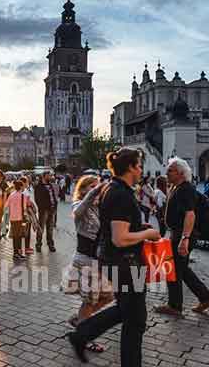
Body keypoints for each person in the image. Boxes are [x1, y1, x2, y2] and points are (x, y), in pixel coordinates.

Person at [68, 148, 161, 367]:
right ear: (130, 167)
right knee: (135, 318)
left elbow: (114, 228)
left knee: (129, 313)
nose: (141, 170)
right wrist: (148, 233)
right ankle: (82, 335)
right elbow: (120, 238)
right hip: (126, 264)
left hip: (116, 262)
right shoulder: (121, 194)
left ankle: (82, 334)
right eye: (138, 165)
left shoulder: (112, 188)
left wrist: (138, 227)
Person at [154, 158, 209, 317]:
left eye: (170, 170)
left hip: (183, 234)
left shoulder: (186, 189)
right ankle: (206, 298)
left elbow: (190, 214)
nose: (166, 173)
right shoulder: (178, 187)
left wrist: (185, 238)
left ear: (181, 173)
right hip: (178, 233)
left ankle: (175, 305)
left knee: (174, 269)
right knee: (181, 269)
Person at [64, 174, 113, 354]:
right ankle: (84, 337)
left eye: (97, 185)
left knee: (109, 296)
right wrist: (94, 192)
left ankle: (80, 319)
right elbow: (78, 212)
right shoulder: (78, 204)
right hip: (86, 260)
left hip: (99, 260)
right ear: (83, 189)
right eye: (92, 186)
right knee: (89, 301)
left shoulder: (100, 207)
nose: (97, 189)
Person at [4, 180, 35, 261]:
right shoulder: (22, 196)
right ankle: (18, 253)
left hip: (12, 218)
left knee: (15, 236)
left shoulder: (11, 195)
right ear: (21, 187)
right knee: (19, 236)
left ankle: (15, 253)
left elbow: (6, 205)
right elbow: (24, 208)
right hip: (20, 219)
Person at [34, 171, 59, 252]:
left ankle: (50, 244)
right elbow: (37, 199)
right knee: (41, 228)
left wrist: (55, 204)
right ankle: (38, 244)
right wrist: (42, 208)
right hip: (44, 210)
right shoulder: (38, 187)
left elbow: (53, 196)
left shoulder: (50, 185)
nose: (50, 177)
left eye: (50, 176)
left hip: (52, 209)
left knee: (50, 228)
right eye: (48, 176)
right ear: (44, 177)